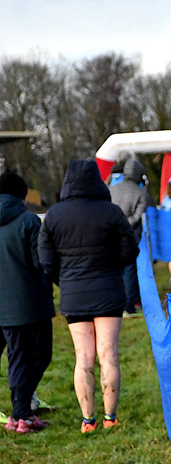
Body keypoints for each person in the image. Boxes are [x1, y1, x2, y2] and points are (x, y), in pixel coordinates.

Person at [38, 159, 139, 432]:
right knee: (108, 354)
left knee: (83, 357)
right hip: (109, 291)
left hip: (74, 294)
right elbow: (130, 249)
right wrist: (113, 269)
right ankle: (110, 417)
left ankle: (88, 420)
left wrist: (64, 280)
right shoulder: (111, 212)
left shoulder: (54, 215)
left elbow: (45, 259)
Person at [0, 172, 55, 433]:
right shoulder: (28, 221)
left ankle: (21, 412)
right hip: (31, 304)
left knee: (17, 357)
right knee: (39, 355)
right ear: (21, 196)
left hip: (4, 306)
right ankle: (22, 414)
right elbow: (40, 262)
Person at [109, 156, 150, 314]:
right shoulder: (141, 193)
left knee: (114, 269)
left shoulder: (112, 188)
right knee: (130, 269)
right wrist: (124, 224)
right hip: (130, 235)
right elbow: (138, 216)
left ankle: (116, 303)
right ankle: (130, 305)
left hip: (111, 233)